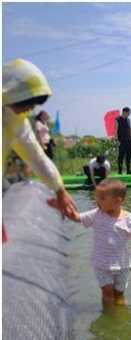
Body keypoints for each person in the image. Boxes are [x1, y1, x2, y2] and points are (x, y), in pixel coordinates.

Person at [2, 58, 77, 226]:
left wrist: (59, 190)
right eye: (29, 103)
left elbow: (36, 156)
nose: (31, 109)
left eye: (34, 104)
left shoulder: (14, 119)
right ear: (10, 95)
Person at [67, 179, 131, 305]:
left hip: (122, 265)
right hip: (102, 264)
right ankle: (109, 315)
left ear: (117, 201)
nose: (97, 201)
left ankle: (120, 316)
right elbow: (78, 217)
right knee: (107, 294)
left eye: (102, 198)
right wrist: (65, 208)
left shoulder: (128, 218)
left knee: (119, 295)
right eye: (97, 198)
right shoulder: (96, 214)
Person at [115, 107, 131, 175]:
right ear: (124, 112)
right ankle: (120, 171)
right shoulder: (118, 119)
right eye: (128, 113)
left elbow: (130, 129)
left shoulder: (128, 120)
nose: (129, 114)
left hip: (129, 140)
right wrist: (116, 140)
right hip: (121, 140)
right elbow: (116, 130)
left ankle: (128, 170)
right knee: (121, 156)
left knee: (129, 155)